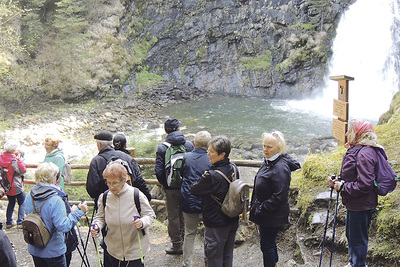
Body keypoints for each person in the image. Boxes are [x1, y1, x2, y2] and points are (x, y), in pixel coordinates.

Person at [329, 120, 382, 267]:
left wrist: (344, 187)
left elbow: (365, 185)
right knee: (352, 237)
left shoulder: (365, 153)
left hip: (361, 205)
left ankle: (358, 264)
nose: (346, 134)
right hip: (356, 204)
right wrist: (338, 180)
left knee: (357, 240)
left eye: (349, 131)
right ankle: (353, 263)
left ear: (358, 133)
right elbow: (354, 176)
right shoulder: (358, 148)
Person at [249, 131, 300, 267]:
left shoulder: (280, 167)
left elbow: (280, 196)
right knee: (268, 243)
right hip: (268, 213)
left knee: (266, 245)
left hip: (271, 214)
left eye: (269, 147)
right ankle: (275, 263)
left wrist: (261, 208)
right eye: (264, 146)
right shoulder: (270, 161)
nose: (265, 149)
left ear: (279, 148)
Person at [91, 162, 155, 267]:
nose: (112, 187)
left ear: (124, 180)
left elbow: (150, 215)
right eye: (109, 182)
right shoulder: (104, 197)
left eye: (115, 183)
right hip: (113, 250)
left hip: (135, 250)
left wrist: (142, 222)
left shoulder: (136, 194)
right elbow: (100, 218)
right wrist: (97, 226)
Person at [24, 162, 88, 267]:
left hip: (34, 247)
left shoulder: (29, 195)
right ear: (54, 178)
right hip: (53, 251)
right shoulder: (56, 200)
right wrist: (79, 212)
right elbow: (63, 226)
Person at [191, 135, 239, 267]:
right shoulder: (234, 168)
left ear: (222, 154)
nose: (208, 154)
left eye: (211, 152)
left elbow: (194, 189)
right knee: (227, 257)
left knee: (213, 260)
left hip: (216, 224)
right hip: (232, 220)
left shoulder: (212, 176)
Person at [155, 118, 194, 254]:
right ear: (178, 129)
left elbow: (159, 171)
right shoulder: (189, 145)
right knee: (185, 213)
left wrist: (166, 184)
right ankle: (184, 240)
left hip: (170, 188)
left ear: (166, 131)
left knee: (173, 216)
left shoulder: (162, 147)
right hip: (186, 186)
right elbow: (192, 165)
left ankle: (176, 245)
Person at [179, 131, 212, 267]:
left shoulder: (186, 157)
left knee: (189, 233)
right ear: (210, 145)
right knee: (209, 232)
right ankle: (209, 261)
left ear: (195, 144)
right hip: (207, 201)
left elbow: (182, 173)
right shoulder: (211, 159)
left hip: (188, 199)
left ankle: (187, 263)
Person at [0, 140, 26, 229]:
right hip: (16, 185)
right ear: (14, 150)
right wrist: (21, 160)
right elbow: (22, 170)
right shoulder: (14, 160)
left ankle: (9, 222)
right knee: (22, 202)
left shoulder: (1, 158)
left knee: (11, 202)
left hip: (6, 186)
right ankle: (20, 222)